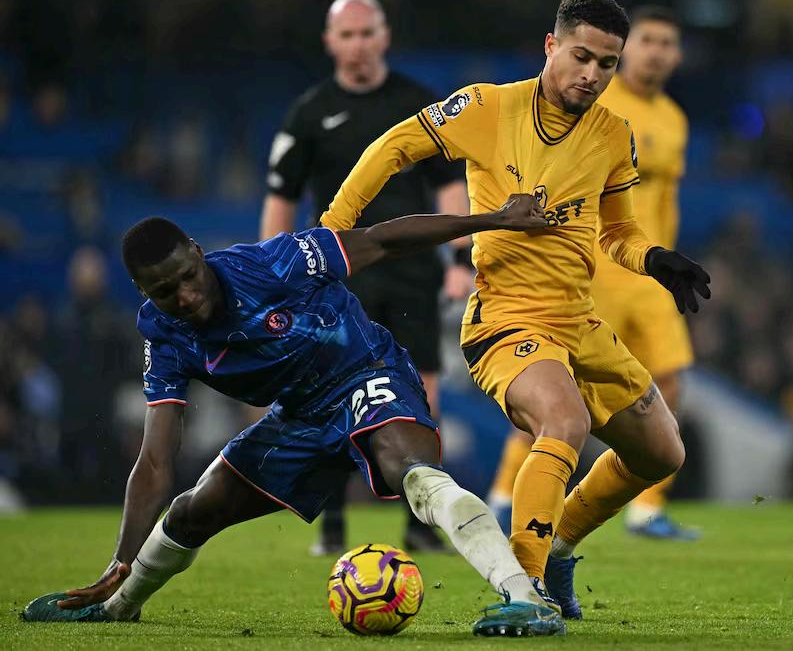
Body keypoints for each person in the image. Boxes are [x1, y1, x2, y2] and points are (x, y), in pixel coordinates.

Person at [318, 0, 711, 619]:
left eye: (607, 64)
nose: (592, 74)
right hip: (505, 318)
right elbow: (394, 146)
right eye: (581, 56)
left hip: (578, 321)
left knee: (663, 453)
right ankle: (523, 590)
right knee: (564, 421)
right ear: (551, 46)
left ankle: (558, 550)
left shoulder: (614, 134)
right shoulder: (487, 107)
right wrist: (332, 232)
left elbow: (618, 233)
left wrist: (655, 258)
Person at [21, 198, 569, 638]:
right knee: (191, 512)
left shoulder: (275, 263)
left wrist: (492, 220)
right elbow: (156, 459)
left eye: (188, 276)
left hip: (365, 372)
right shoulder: (164, 337)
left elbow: (383, 239)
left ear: (197, 252)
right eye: (166, 292)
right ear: (143, 292)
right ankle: (118, 606)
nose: (185, 296)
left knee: (415, 475)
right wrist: (120, 561)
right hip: (301, 415)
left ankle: (525, 598)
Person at [260, 0, 471, 556]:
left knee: (422, 391)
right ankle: (331, 525)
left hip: (410, 271)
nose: (357, 45)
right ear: (330, 42)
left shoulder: (418, 103)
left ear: (385, 37)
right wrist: (273, 272)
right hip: (336, 275)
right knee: (330, 392)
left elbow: (449, 185)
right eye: (347, 35)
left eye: (366, 33)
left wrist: (460, 259)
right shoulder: (308, 114)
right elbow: (281, 198)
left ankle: (420, 524)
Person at [485, 5, 700, 542]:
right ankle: (505, 495)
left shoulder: (674, 120)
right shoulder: (594, 101)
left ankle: (647, 508)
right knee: (560, 393)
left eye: (667, 44)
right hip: (593, 274)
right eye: (648, 41)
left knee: (669, 381)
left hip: (647, 271)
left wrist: (665, 258)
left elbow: (665, 200)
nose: (657, 53)